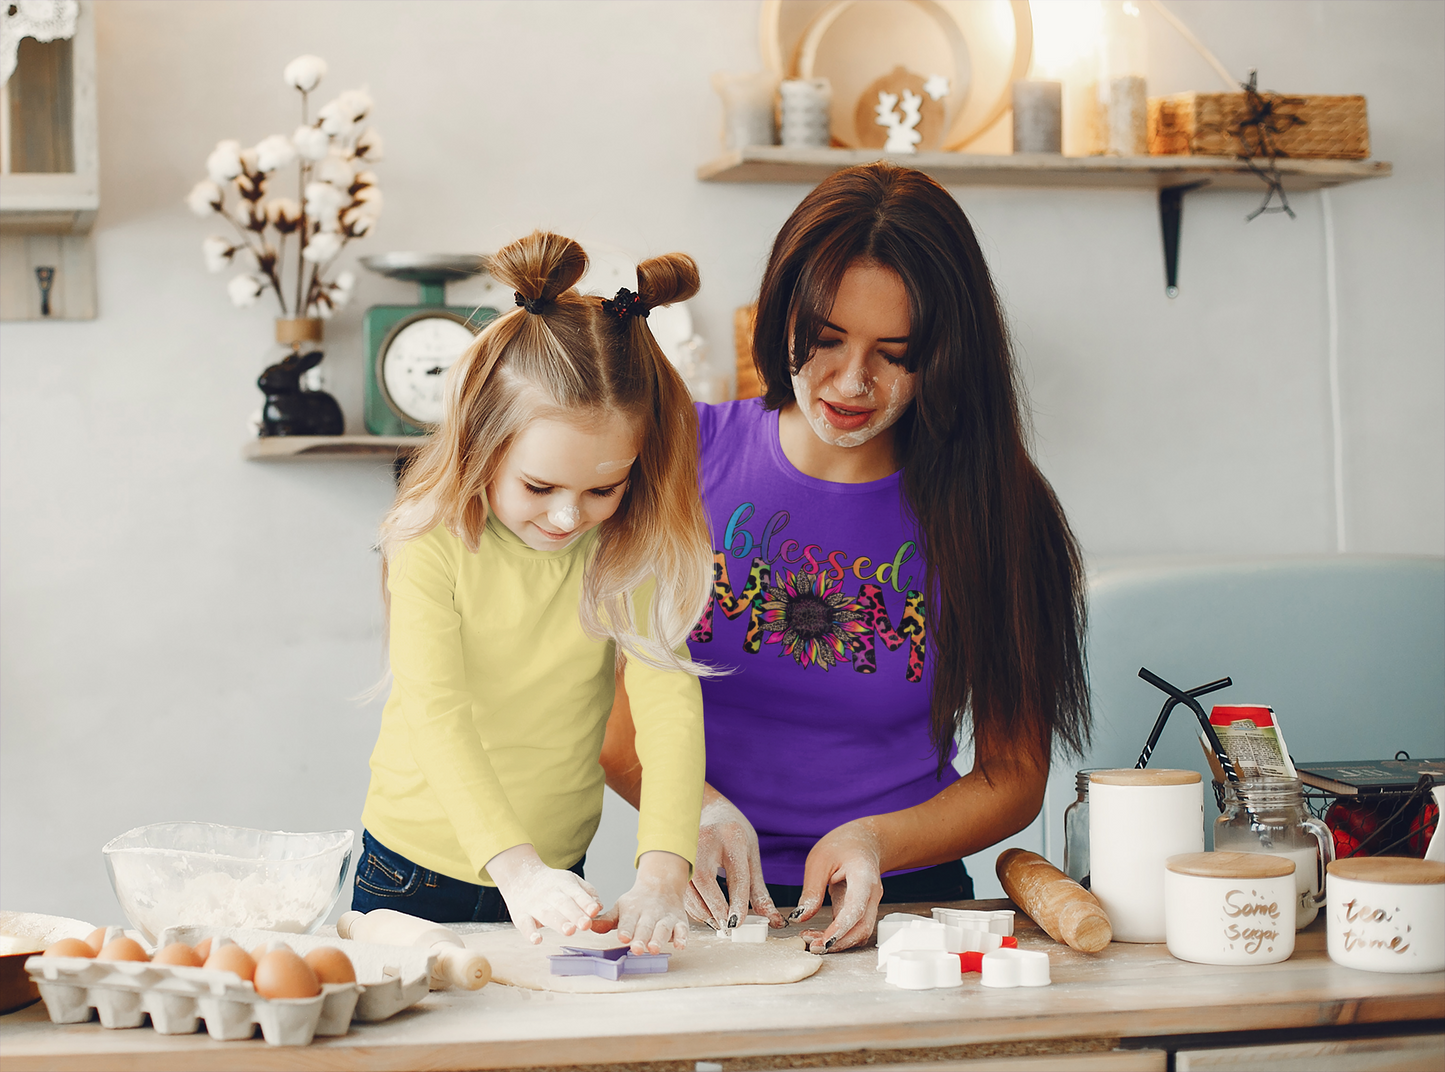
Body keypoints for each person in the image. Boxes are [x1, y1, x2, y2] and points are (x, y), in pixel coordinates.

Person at [601, 163, 1090, 954]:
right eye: (825, 340)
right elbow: (620, 741)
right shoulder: (677, 459)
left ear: (945, 353)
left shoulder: (1000, 506)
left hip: (908, 912)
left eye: (894, 353)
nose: (851, 381)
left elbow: (1012, 773)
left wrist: (875, 843)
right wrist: (699, 813)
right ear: (778, 311)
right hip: (704, 903)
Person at [355, 231, 715, 953]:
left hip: (555, 871)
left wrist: (664, 870)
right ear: (481, 443)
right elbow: (437, 714)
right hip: (412, 874)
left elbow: (668, 711)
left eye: (601, 488)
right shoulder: (428, 542)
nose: (565, 515)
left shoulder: (623, 552)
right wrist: (514, 870)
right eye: (538, 485)